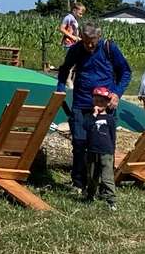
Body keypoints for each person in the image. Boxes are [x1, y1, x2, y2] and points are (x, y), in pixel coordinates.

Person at [54, 23, 133, 195]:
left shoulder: (108, 48)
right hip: (81, 104)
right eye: (86, 41)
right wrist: (60, 90)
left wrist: (117, 94)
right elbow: (64, 69)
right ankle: (79, 183)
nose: (89, 45)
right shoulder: (75, 49)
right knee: (79, 144)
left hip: (105, 106)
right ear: (81, 37)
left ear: (99, 38)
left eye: (93, 41)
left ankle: (105, 185)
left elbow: (126, 72)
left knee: (105, 146)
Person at [79, 87, 120, 208]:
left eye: (102, 101)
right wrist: (94, 115)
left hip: (106, 152)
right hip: (92, 150)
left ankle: (111, 201)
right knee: (92, 176)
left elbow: (113, 136)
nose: (99, 104)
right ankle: (90, 195)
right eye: (96, 101)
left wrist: (112, 150)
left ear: (108, 103)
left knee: (107, 177)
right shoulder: (89, 117)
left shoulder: (110, 119)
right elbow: (86, 127)